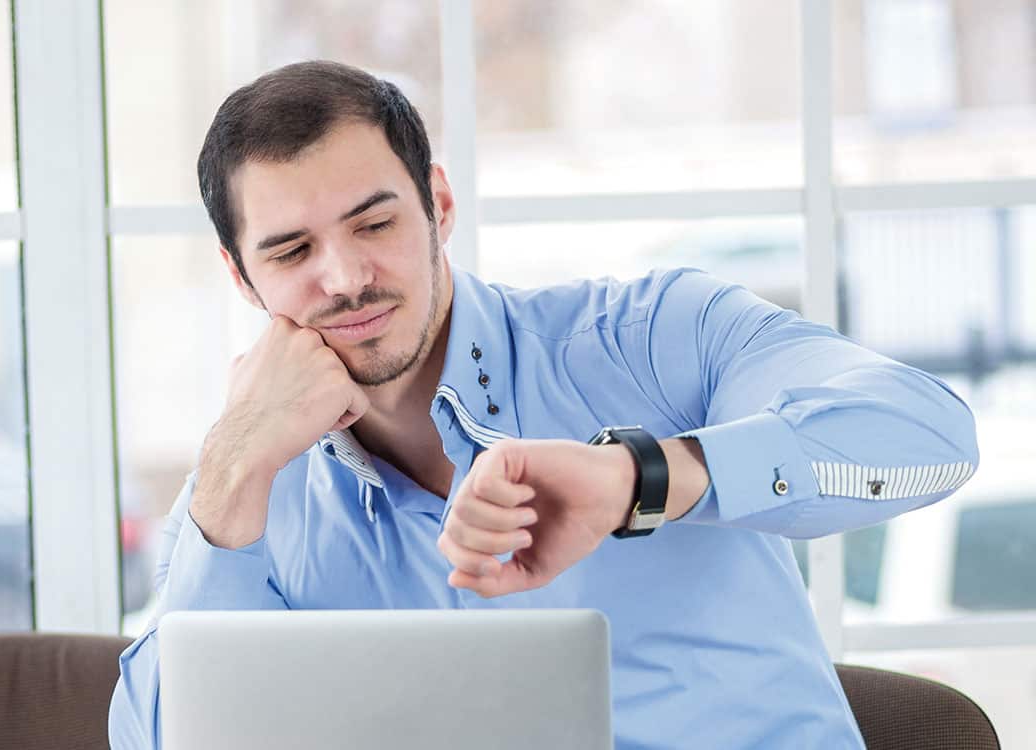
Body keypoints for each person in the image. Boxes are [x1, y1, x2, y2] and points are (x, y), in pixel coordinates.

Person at [108, 60, 980, 750]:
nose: (346, 278)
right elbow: (155, 738)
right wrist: (231, 469)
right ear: (241, 275)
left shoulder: (645, 336)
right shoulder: (249, 486)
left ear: (439, 206)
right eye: (293, 249)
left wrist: (640, 476)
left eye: (375, 224)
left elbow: (930, 434)